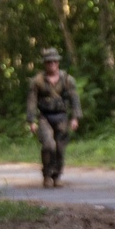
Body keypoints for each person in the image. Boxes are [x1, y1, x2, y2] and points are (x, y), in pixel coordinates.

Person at [26, 48, 82, 188]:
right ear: (45, 64)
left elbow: (75, 99)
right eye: (48, 62)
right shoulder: (37, 81)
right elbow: (32, 101)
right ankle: (47, 174)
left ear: (58, 63)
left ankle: (57, 175)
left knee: (60, 148)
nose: (51, 64)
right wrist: (31, 120)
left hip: (62, 117)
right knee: (48, 145)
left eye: (54, 61)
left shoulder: (67, 80)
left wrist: (75, 118)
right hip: (45, 117)